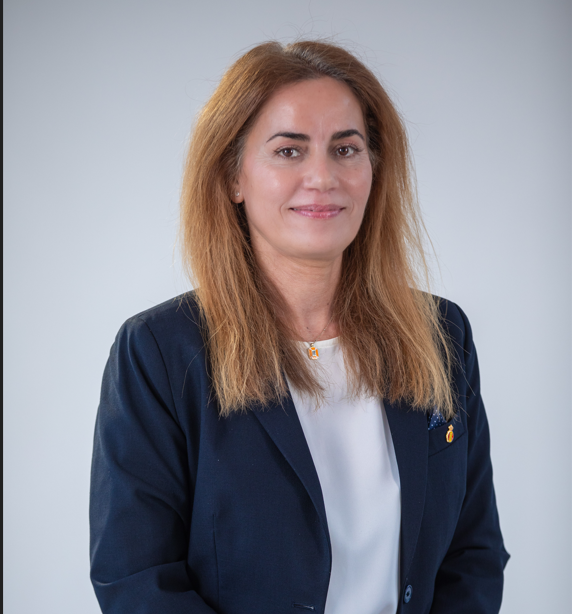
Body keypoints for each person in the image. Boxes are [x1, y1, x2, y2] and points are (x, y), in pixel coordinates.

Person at [89, 40, 509, 614]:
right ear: (233, 177)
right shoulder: (159, 352)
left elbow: (473, 553)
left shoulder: (440, 334)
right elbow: (135, 579)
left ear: (373, 170)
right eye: (289, 151)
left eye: (346, 149)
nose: (322, 176)